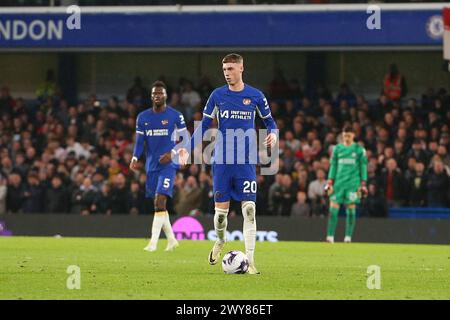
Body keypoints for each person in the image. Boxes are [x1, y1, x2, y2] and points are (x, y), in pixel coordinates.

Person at [179, 53, 278, 274]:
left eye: (231, 69)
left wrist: (273, 134)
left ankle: (251, 261)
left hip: (246, 161)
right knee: (221, 215)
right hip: (222, 161)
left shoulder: (255, 96)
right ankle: (221, 241)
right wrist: (187, 146)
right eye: (224, 70)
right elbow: (204, 126)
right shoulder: (217, 95)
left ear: (241, 68)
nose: (227, 74)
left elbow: (270, 121)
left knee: (250, 210)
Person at [130, 81, 187, 252]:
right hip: (151, 166)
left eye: (160, 93)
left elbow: (186, 139)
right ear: (151, 96)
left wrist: (173, 154)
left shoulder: (175, 116)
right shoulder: (143, 117)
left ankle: (153, 243)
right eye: (155, 93)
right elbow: (140, 141)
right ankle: (171, 240)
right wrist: (134, 156)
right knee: (159, 206)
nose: (157, 96)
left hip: (169, 165)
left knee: (159, 200)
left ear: (166, 96)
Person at [325, 126, 368, 243]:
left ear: (353, 135)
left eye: (349, 136)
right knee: (333, 211)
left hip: (353, 184)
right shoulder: (337, 149)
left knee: (351, 210)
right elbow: (333, 166)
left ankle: (348, 237)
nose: (347, 138)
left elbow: (363, 167)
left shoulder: (359, 150)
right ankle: (329, 237)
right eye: (345, 136)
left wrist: (363, 183)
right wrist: (330, 181)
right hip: (338, 183)